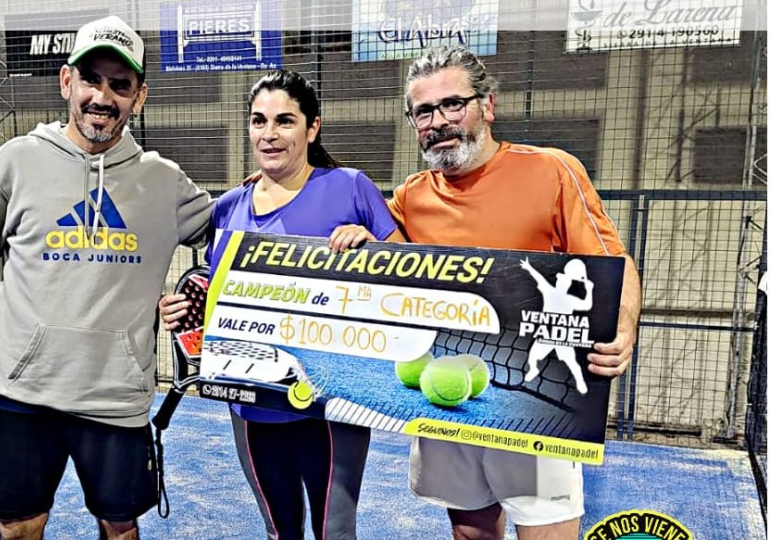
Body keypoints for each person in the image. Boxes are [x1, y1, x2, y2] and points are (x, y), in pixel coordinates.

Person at [0, 15, 213, 540]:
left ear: (139, 96)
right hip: (26, 390)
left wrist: (294, 191)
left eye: (120, 85)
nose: (102, 97)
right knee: (19, 525)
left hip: (117, 395)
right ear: (67, 82)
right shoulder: (14, 162)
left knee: (120, 526)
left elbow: (237, 232)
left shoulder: (166, 182)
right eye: (91, 79)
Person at [388, 45, 642, 540]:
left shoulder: (552, 170)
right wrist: (271, 187)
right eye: (424, 111)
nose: (439, 121)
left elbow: (614, 263)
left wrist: (625, 325)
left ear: (487, 106)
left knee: (547, 532)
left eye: (452, 104)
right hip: (449, 396)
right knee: (471, 532)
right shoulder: (409, 197)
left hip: (537, 403)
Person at [159, 70, 402, 540]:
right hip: (252, 407)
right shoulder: (228, 207)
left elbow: (408, 284)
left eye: (285, 121)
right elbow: (216, 299)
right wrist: (180, 313)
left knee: (335, 533)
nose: (269, 134)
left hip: (333, 406)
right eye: (259, 121)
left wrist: (373, 246)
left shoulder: (352, 188)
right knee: (279, 531)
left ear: (312, 128)